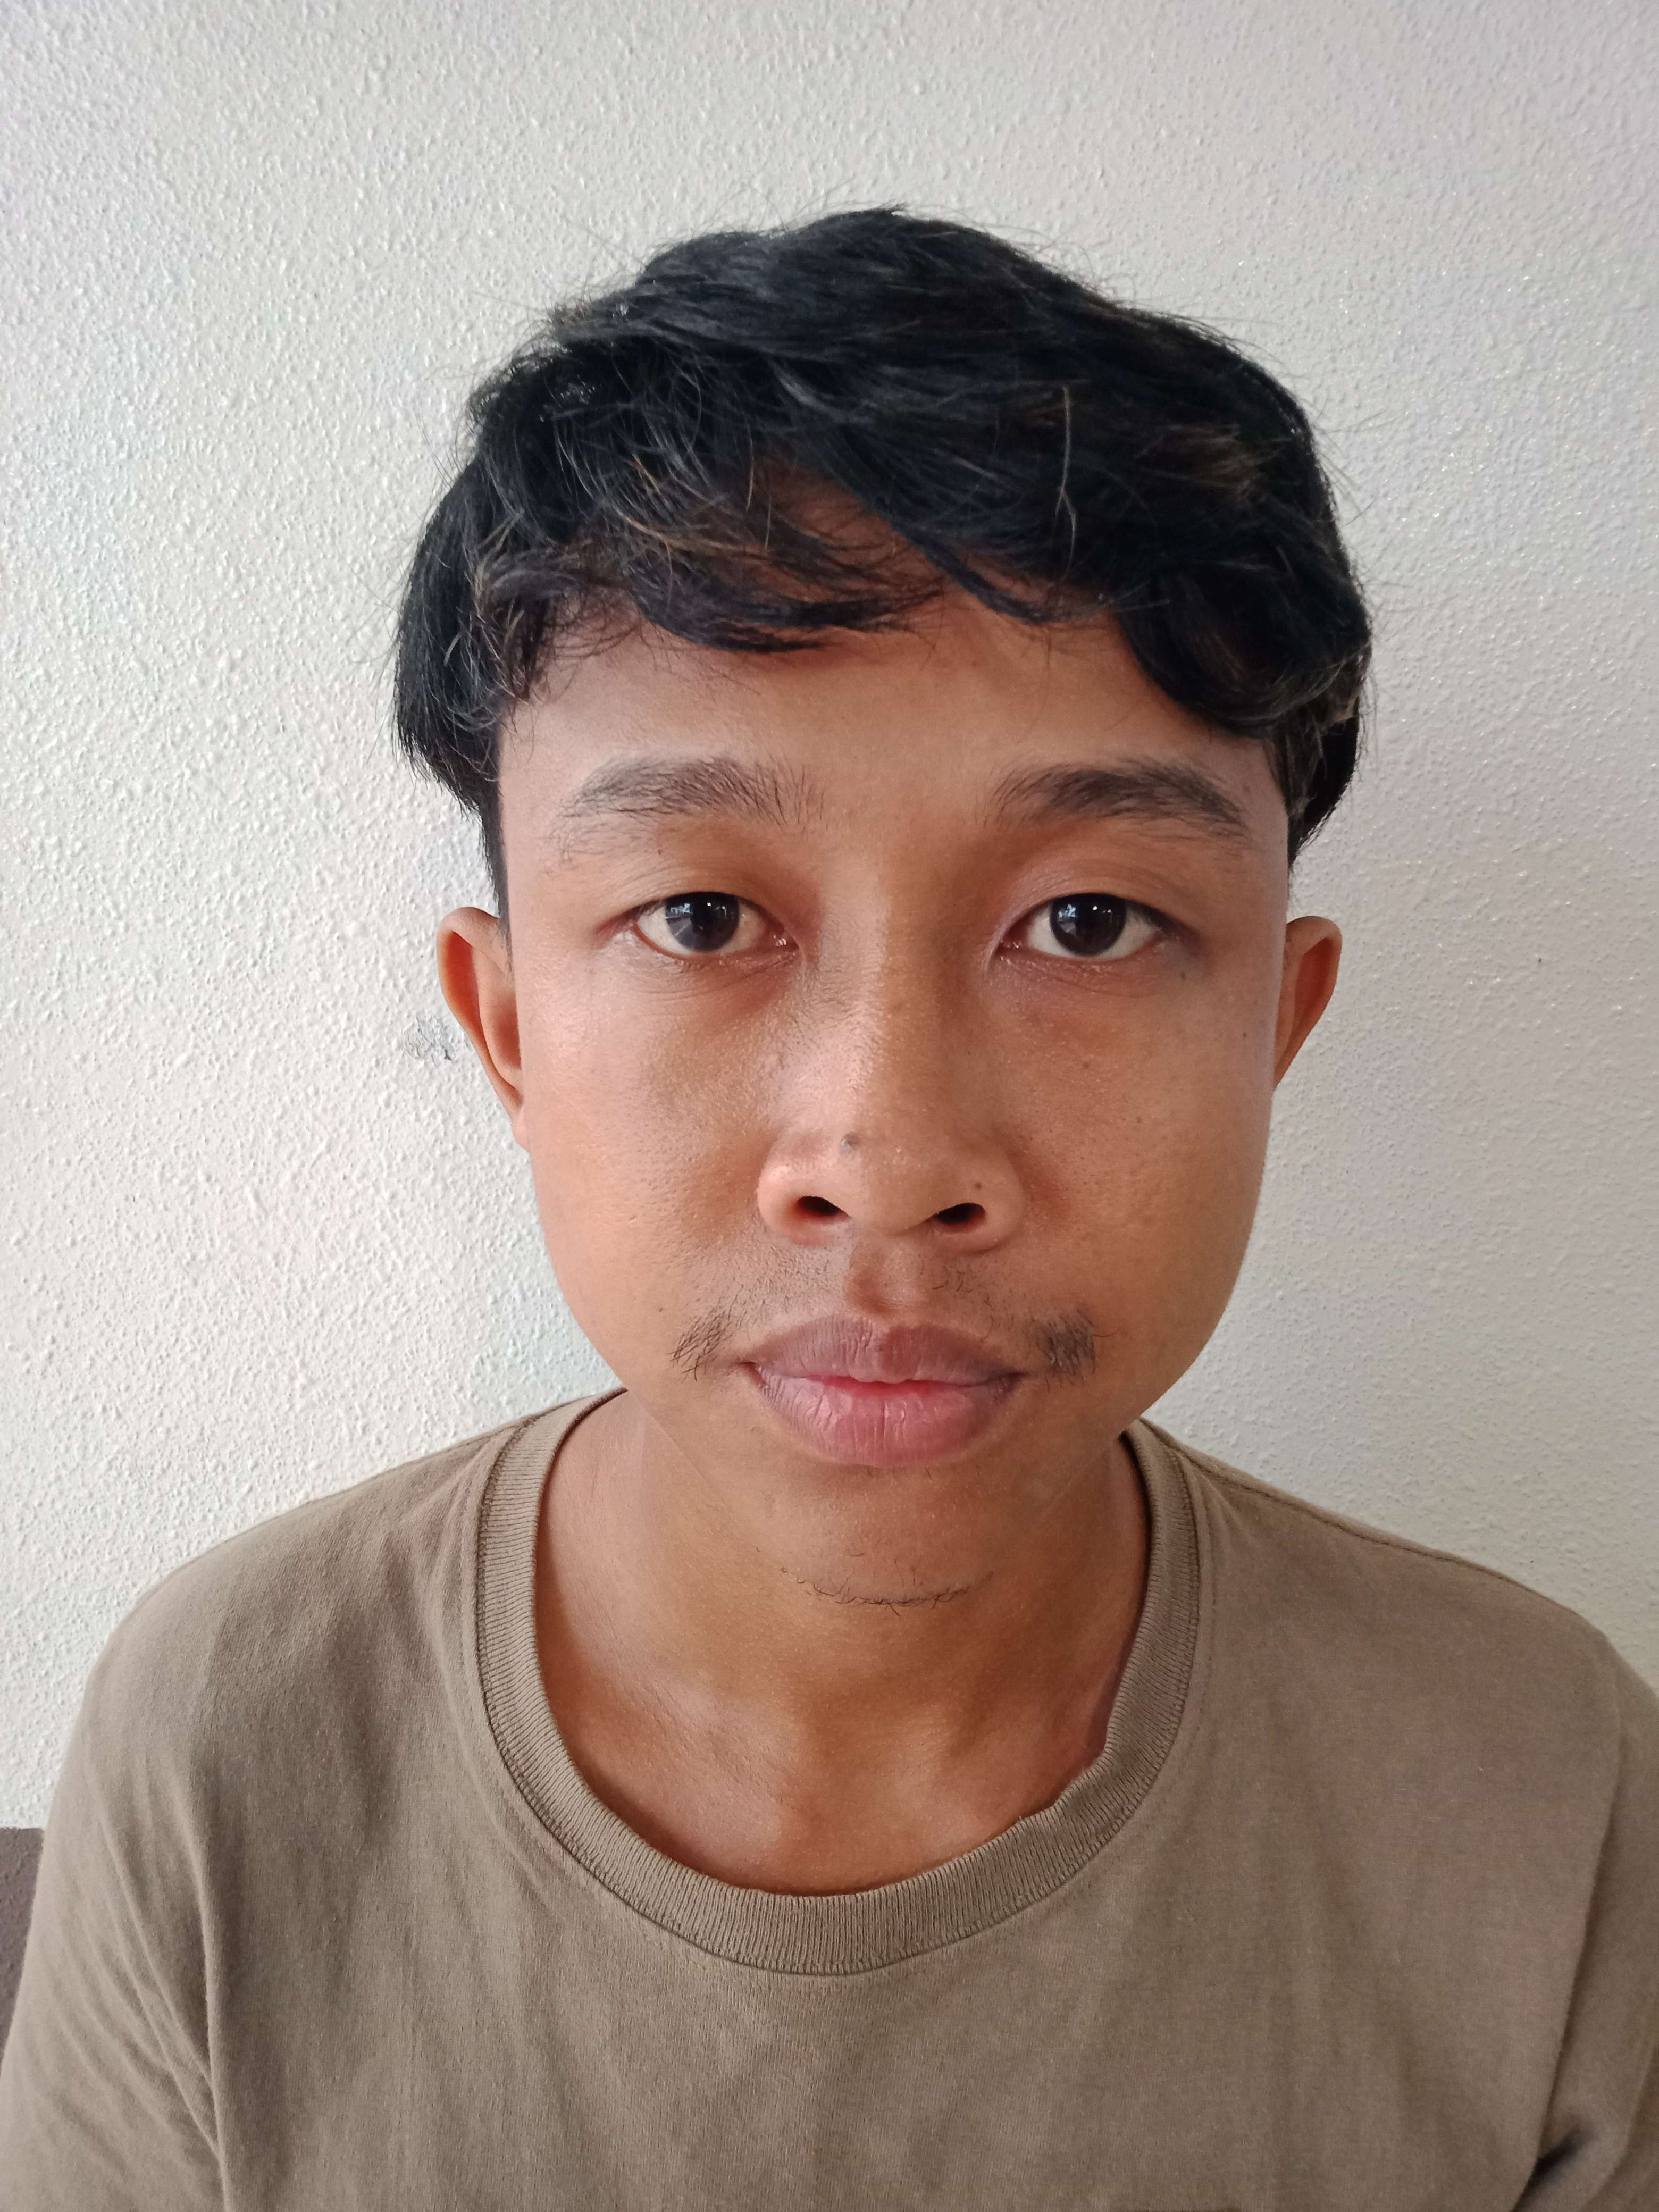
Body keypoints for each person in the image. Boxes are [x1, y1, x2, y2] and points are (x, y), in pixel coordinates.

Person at [2, 207, 1654, 2210]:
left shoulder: (1545, 1785)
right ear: (507, 1029)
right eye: (703, 917)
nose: (886, 1155)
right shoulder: (230, 1744)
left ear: (1275, 1027)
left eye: (1090, 922)